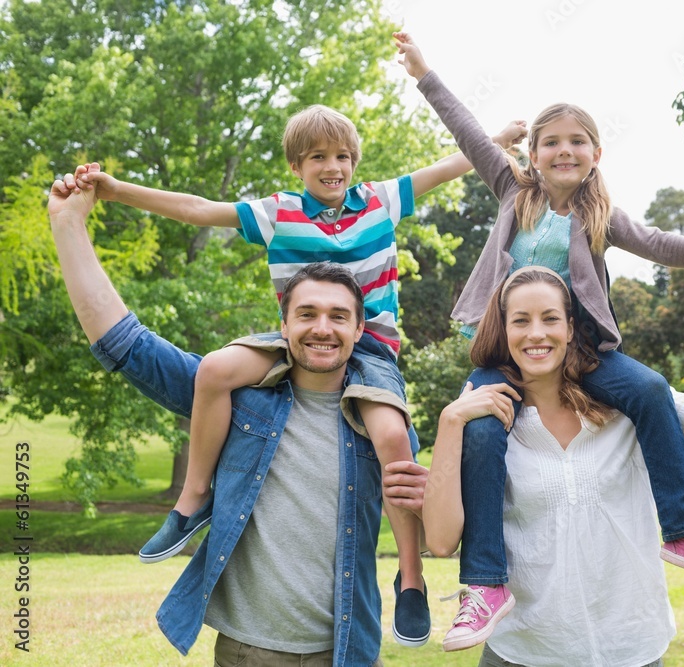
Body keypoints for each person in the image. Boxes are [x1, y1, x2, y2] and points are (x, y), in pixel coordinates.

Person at [71, 107, 525, 646]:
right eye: (318, 158)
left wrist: (493, 141)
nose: (332, 167)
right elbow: (197, 208)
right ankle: (192, 499)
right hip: (296, 344)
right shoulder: (276, 214)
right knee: (215, 368)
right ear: (296, 165)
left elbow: (447, 166)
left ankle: (410, 576)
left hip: (372, 350)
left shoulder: (381, 201)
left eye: (341, 157)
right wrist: (117, 190)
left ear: (354, 161)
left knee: (390, 437)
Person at [394, 32, 684, 646]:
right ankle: (485, 584)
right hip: (505, 352)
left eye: (577, 141)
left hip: (582, 351)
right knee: (479, 430)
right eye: (551, 141)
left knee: (652, 390)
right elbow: (468, 132)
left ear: (596, 153)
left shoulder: (601, 215)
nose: (564, 150)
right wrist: (425, 75)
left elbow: (661, 244)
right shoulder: (511, 190)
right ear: (533, 152)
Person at [48, 174, 428, 665]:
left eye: (338, 316)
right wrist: (68, 225)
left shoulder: (384, 426)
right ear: (283, 323)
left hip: (343, 651)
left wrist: (461, 425)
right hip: (245, 652)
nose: (321, 328)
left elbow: (442, 520)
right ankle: (192, 500)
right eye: (307, 313)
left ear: (360, 328)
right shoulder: (239, 400)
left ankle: (412, 583)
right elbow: (126, 345)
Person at [422, 255, 684, 662]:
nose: (536, 333)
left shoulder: (636, 409)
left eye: (550, 319)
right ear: (503, 330)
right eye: (521, 321)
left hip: (631, 650)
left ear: (571, 326)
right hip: (524, 654)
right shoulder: (482, 424)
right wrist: (450, 421)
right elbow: (439, 541)